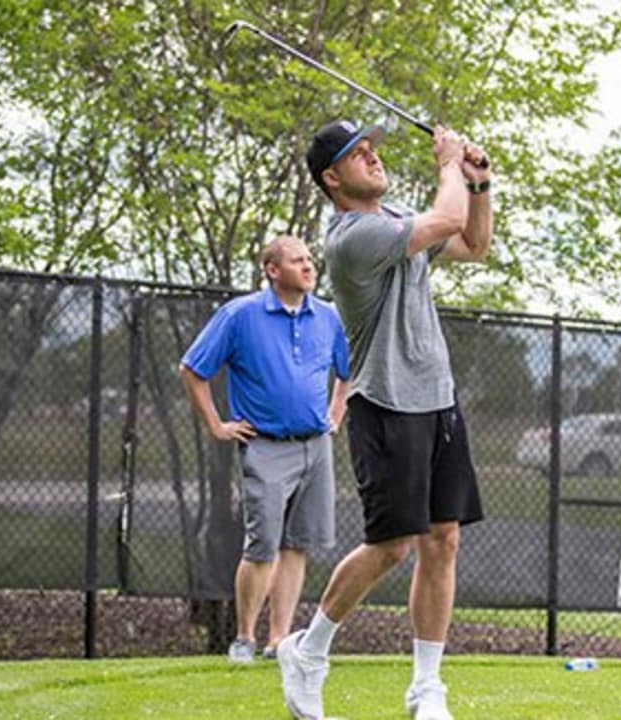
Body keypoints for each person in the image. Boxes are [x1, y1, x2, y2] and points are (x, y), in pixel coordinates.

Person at [275, 119, 491, 720]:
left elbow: (473, 243)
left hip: (437, 398)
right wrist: (448, 162)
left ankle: (427, 689)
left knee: (442, 541)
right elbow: (444, 222)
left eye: (371, 149)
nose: (371, 157)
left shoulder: (394, 220)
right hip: (385, 401)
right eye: (357, 154)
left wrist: (478, 184)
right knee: (392, 546)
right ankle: (309, 648)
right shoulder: (351, 238)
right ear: (332, 179)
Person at [179, 235, 351, 664]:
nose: (310, 267)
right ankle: (243, 640)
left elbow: (347, 371)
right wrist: (217, 425)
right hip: (266, 448)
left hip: (316, 447)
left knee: (297, 546)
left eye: (310, 259)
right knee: (263, 546)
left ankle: (279, 641)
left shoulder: (328, 316)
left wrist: (336, 412)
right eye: (298, 261)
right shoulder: (239, 315)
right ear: (273, 271)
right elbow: (192, 369)